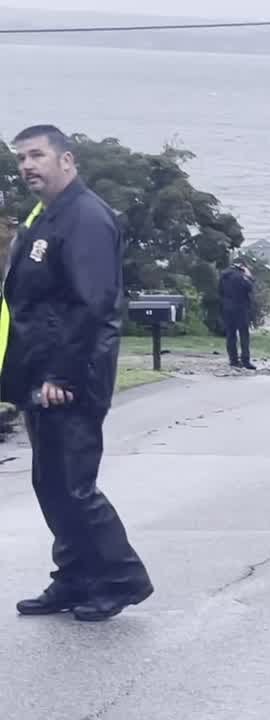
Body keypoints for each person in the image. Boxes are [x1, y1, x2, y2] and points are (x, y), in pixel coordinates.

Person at [2, 125, 152, 622]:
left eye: (37, 155)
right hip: (38, 375)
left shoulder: (85, 217)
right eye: (21, 157)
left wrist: (62, 377)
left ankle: (122, 578)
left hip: (68, 380)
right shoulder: (48, 215)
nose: (27, 166)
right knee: (52, 484)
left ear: (67, 160)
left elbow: (91, 307)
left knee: (75, 487)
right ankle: (74, 575)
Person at [218, 261, 256, 370]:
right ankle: (246, 360)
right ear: (242, 267)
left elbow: (220, 292)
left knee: (230, 335)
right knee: (244, 334)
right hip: (240, 308)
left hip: (227, 308)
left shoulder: (223, 275)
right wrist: (249, 276)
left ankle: (233, 360)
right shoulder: (241, 276)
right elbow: (250, 288)